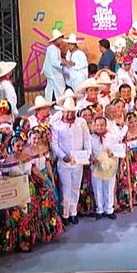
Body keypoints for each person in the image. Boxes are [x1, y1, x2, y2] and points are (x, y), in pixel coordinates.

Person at [49, 96, 90, 224]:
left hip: (78, 161)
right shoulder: (56, 125)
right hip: (64, 162)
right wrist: (63, 156)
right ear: (62, 111)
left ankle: (73, 212)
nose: (69, 114)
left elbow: (86, 139)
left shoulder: (81, 123)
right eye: (67, 111)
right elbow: (54, 144)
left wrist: (87, 154)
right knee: (66, 188)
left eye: (71, 111)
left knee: (76, 187)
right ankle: (65, 213)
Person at [43, 31, 67, 101]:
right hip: (54, 73)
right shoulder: (53, 48)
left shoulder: (54, 48)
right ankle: (61, 105)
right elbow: (54, 62)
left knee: (49, 89)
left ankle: (47, 104)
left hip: (52, 72)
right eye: (60, 38)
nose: (61, 40)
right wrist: (62, 63)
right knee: (60, 89)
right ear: (56, 39)